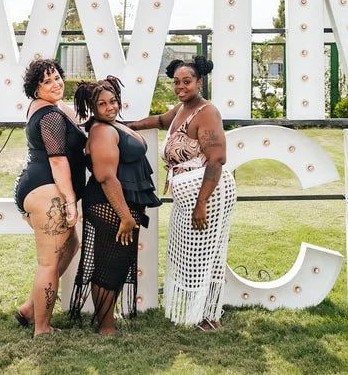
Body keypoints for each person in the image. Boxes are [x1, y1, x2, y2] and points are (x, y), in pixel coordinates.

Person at [127, 55, 236, 331]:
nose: (180, 86)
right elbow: (161, 121)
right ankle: (201, 312)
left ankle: (209, 317)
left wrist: (201, 203)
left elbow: (217, 159)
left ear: (199, 82)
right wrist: (128, 126)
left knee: (205, 255)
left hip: (207, 193)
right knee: (188, 255)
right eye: (176, 82)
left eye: (187, 81)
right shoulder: (181, 110)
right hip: (187, 195)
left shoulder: (207, 112)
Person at [68, 76, 161, 335]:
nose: (110, 107)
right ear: (92, 108)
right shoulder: (102, 131)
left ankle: (108, 320)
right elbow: (106, 177)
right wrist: (125, 216)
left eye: (113, 101)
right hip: (110, 206)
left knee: (117, 263)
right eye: (102, 104)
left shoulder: (114, 125)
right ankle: (106, 327)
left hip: (120, 205)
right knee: (109, 264)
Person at [11, 58, 87, 337]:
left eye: (56, 77)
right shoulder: (51, 116)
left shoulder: (48, 107)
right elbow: (58, 161)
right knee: (49, 262)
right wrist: (70, 201)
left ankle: (31, 308)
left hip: (35, 186)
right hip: (47, 191)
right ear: (35, 88)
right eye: (47, 81)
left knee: (70, 244)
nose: (55, 84)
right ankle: (41, 328)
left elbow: (79, 120)